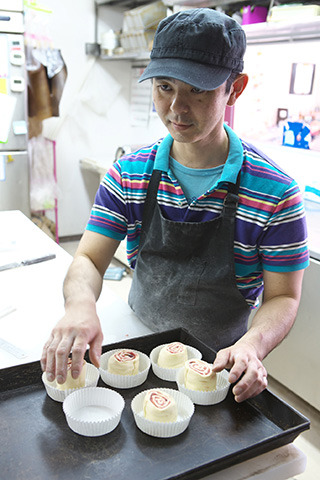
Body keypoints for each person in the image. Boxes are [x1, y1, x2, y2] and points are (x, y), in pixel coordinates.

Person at [41, 9, 309, 403]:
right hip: (135, 342)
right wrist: (80, 306)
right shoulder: (128, 174)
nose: (177, 108)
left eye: (197, 90)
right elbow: (89, 260)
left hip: (219, 365)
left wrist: (253, 346)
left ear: (234, 89)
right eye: (164, 87)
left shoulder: (275, 193)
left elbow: (283, 297)